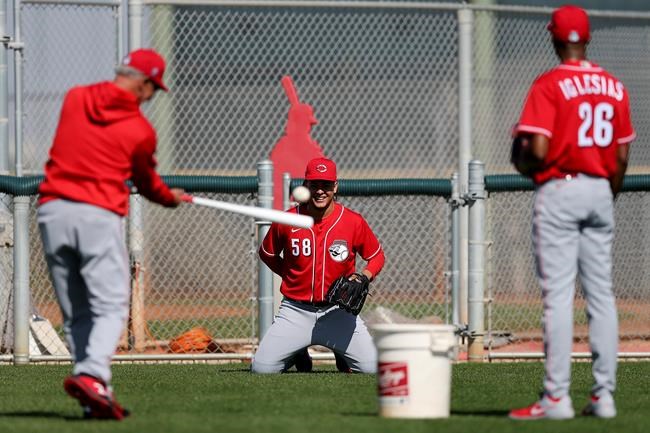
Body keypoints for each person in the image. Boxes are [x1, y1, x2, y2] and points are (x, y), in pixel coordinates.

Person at [37, 48, 184, 420]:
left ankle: (94, 394)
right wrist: (170, 198)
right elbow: (148, 184)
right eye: (153, 89)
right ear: (143, 82)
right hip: (96, 215)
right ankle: (92, 375)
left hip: (52, 211)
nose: (152, 97)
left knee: (76, 312)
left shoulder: (75, 97)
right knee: (111, 305)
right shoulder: (140, 130)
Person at [508, 5, 635, 421]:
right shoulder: (614, 86)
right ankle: (604, 396)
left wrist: (525, 165)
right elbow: (620, 157)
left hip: (560, 187)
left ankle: (557, 398)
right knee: (602, 296)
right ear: (589, 38)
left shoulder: (550, 84)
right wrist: (604, 192)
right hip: (600, 189)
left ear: (556, 39)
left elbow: (538, 150)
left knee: (559, 298)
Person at [252, 157, 385, 374]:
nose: (320, 191)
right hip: (295, 310)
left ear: (336, 186)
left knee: (372, 369)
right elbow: (267, 253)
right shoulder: (287, 219)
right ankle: (297, 350)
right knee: (262, 369)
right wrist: (290, 274)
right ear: (306, 186)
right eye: (314, 185)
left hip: (338, 311)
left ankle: (341, 351)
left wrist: (365, 276)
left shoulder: (352, 221)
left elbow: (377, 256)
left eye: (326, 185)